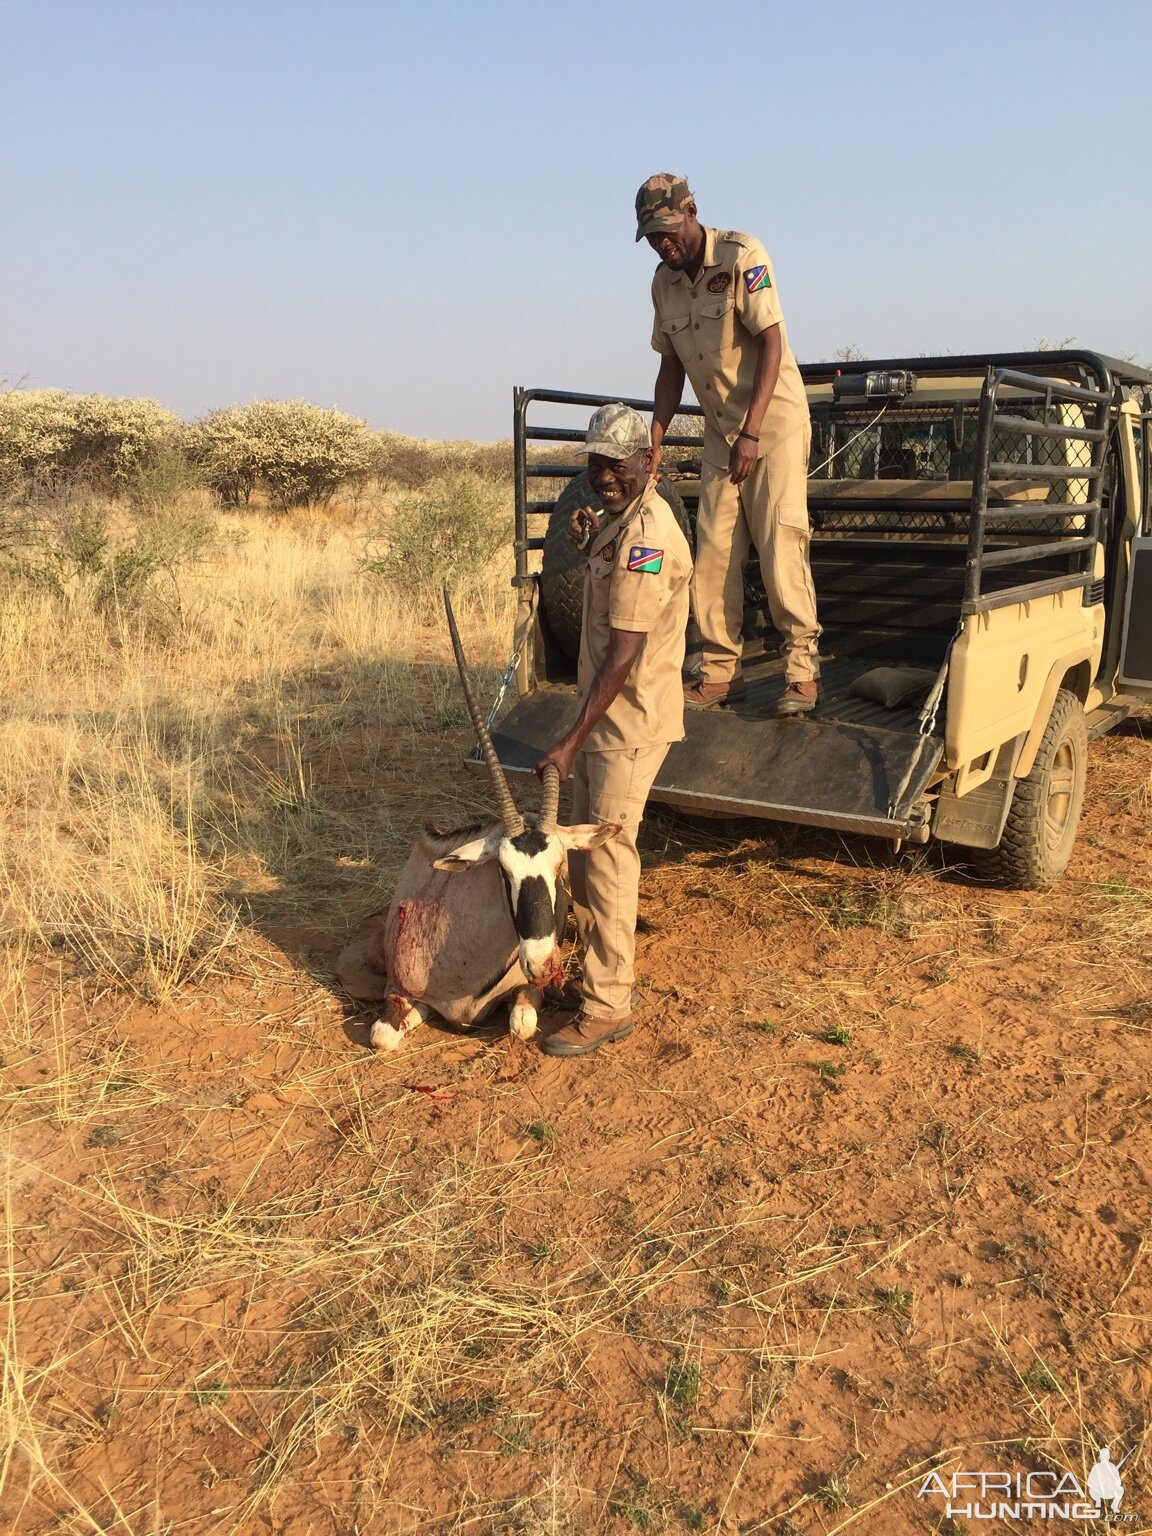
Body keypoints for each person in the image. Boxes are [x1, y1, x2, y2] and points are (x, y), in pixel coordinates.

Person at [534, 403, 691, 1058]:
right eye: (595, 462)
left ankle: (608, 1005)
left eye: (616, 464)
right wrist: (589, 533)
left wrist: (569, 740)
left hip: (625, 723)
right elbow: (611, 563)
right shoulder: (621, 521)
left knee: (608, 859)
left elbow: (624, 653)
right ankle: (589, 975)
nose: (603, 475)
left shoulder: (648, 536)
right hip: (602, 719)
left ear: (649, 462)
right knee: (583, 851)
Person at [637, 173, 821, 715]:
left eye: (668, 229)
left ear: (691, 211)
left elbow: (772, 342)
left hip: (774, 425)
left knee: (779, 545)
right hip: (721, 433)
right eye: (651, 235)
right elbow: (670, 367)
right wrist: (657, 437)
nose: (662, 242)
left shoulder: (742, 254)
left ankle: (801, 671)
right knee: (714, 552)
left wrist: (753, 432)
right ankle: (721, 673)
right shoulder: (662, 283)